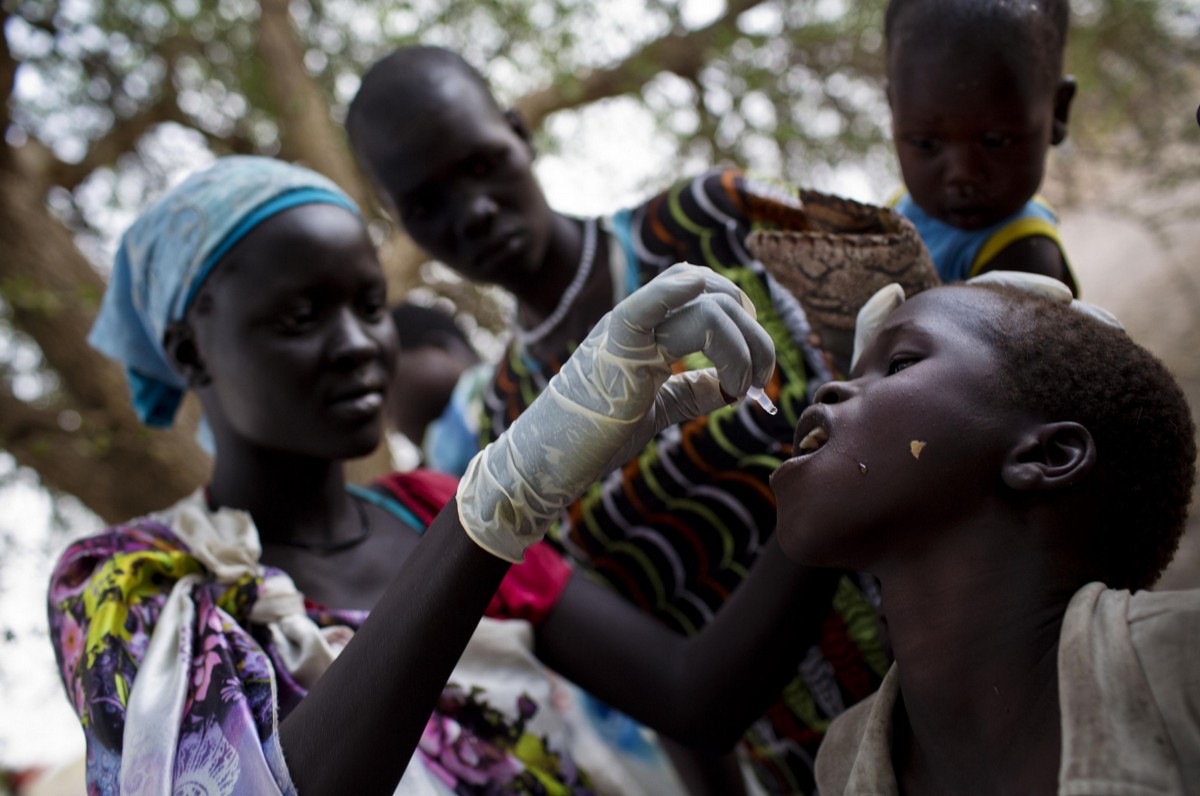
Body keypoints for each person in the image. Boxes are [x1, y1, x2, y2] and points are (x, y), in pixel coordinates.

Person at [47, 155, 850, 796]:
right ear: (189, 351)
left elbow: (693, 697)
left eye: (370, 305)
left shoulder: (429, 510)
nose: (360, 343)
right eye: (300, 317)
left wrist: (838, 461)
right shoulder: (127, 583)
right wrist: (495, 505)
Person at [346, 46, 889, 794]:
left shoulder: (711, 225)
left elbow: (920, 329)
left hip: (962, 639)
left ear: (516, 132)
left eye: (479, 163)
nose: (471, 212)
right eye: (426, 204)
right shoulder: (511, 423)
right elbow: (660, 670)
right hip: (812, 764)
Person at [769, 273, 1199, 794]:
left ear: (1047, 455)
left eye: (900, 363)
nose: (830, 388)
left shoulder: (1180, 660)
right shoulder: (842, 761)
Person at [885, 0, 1080, 292]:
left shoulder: (1024, 260)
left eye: (995, 141)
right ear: (893, 108)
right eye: (927, 143)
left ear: (1058, 112)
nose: (962, 173)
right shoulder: (901, 209)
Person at [385, 301, 488, 473]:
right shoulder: (427, 491)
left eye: (386, 391)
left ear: (439, 347)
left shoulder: (538, 376)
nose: (394, 423)